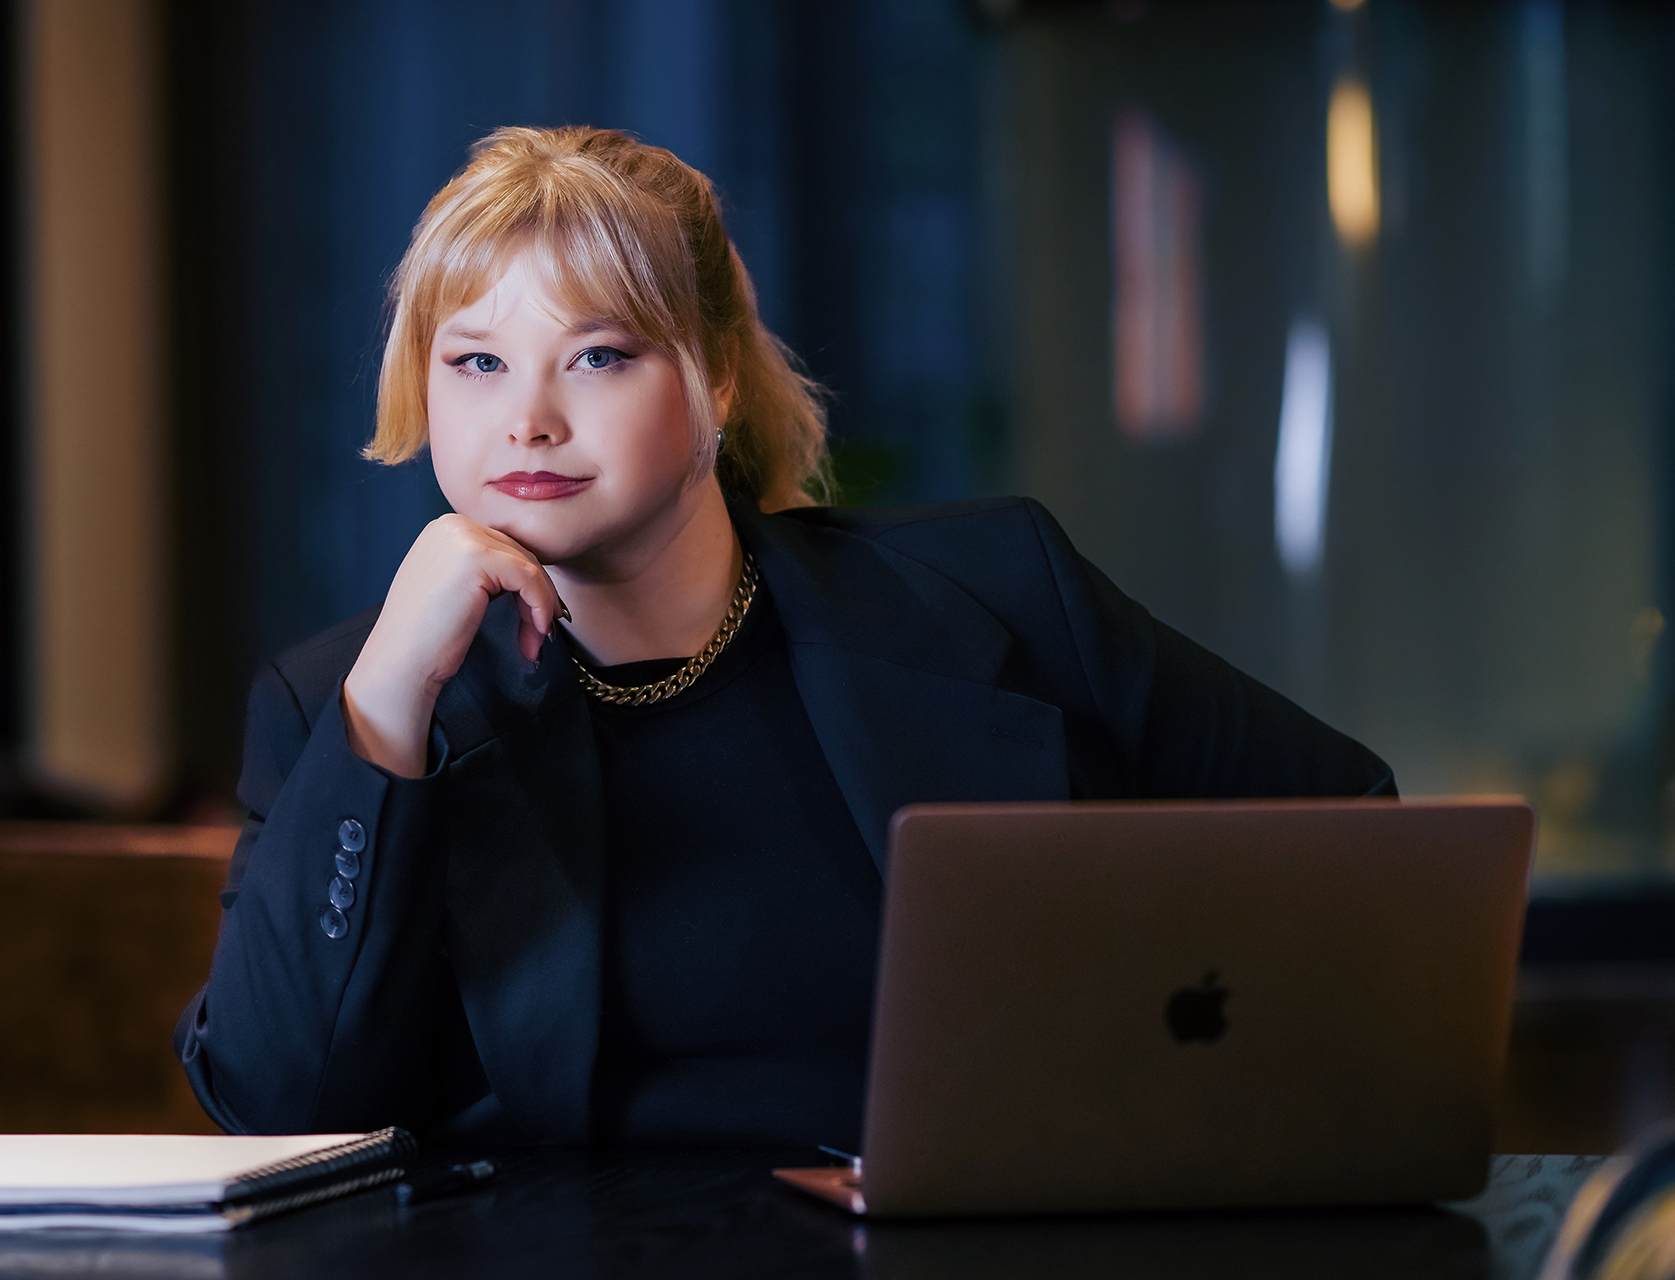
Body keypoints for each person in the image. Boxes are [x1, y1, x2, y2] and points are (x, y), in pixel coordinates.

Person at [176, 126, 1393, 1150]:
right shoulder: (339, 702)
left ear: (711, 380)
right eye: (478, 362)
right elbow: (279, 1109)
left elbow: (1353, 833)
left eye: (598, 355)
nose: (528, 421)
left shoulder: (1002, 590)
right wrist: (386, 705)